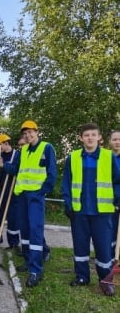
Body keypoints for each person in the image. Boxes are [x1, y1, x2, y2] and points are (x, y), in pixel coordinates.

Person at [62, 123, 120, 296]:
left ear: (99, 137)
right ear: (81, 138)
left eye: (93, 135)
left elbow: (117, 181)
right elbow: (67, 183)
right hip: (79, 211)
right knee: (80, 246)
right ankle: (82, 276)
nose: (90, 138)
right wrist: (68, 205)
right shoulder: (72, 158)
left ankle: (105, 280)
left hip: (102, 212)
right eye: (86, 135)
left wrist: (118, 198)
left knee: (103, 248)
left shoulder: (108, 157)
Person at [8, 120, 57, 288]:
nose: (28, 135)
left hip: (36, 196)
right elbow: (16, 170)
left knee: (35, 230)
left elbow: (51, 174)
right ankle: (29, 261)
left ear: (37, 132)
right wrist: (3, 165)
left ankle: (36, 270)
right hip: (22, 195)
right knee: (25, 228)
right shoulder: (24, 149)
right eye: (25, 133)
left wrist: (42, 191)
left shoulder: (46, 148)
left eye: (31, 132)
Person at [0, 134, 20, 250]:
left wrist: (3, 165)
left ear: (6, 143)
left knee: (13, 218)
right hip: (0, 189)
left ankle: (13, 243)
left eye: (0, 145)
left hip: (12, 191)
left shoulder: (17, 155)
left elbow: (16, 170)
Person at [109, 130, 120, 260]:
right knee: (110, 232)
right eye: (115, 139)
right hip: (109, 202)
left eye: (119, 139)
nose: (118, 142)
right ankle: (111, 258)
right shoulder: (106, 158)